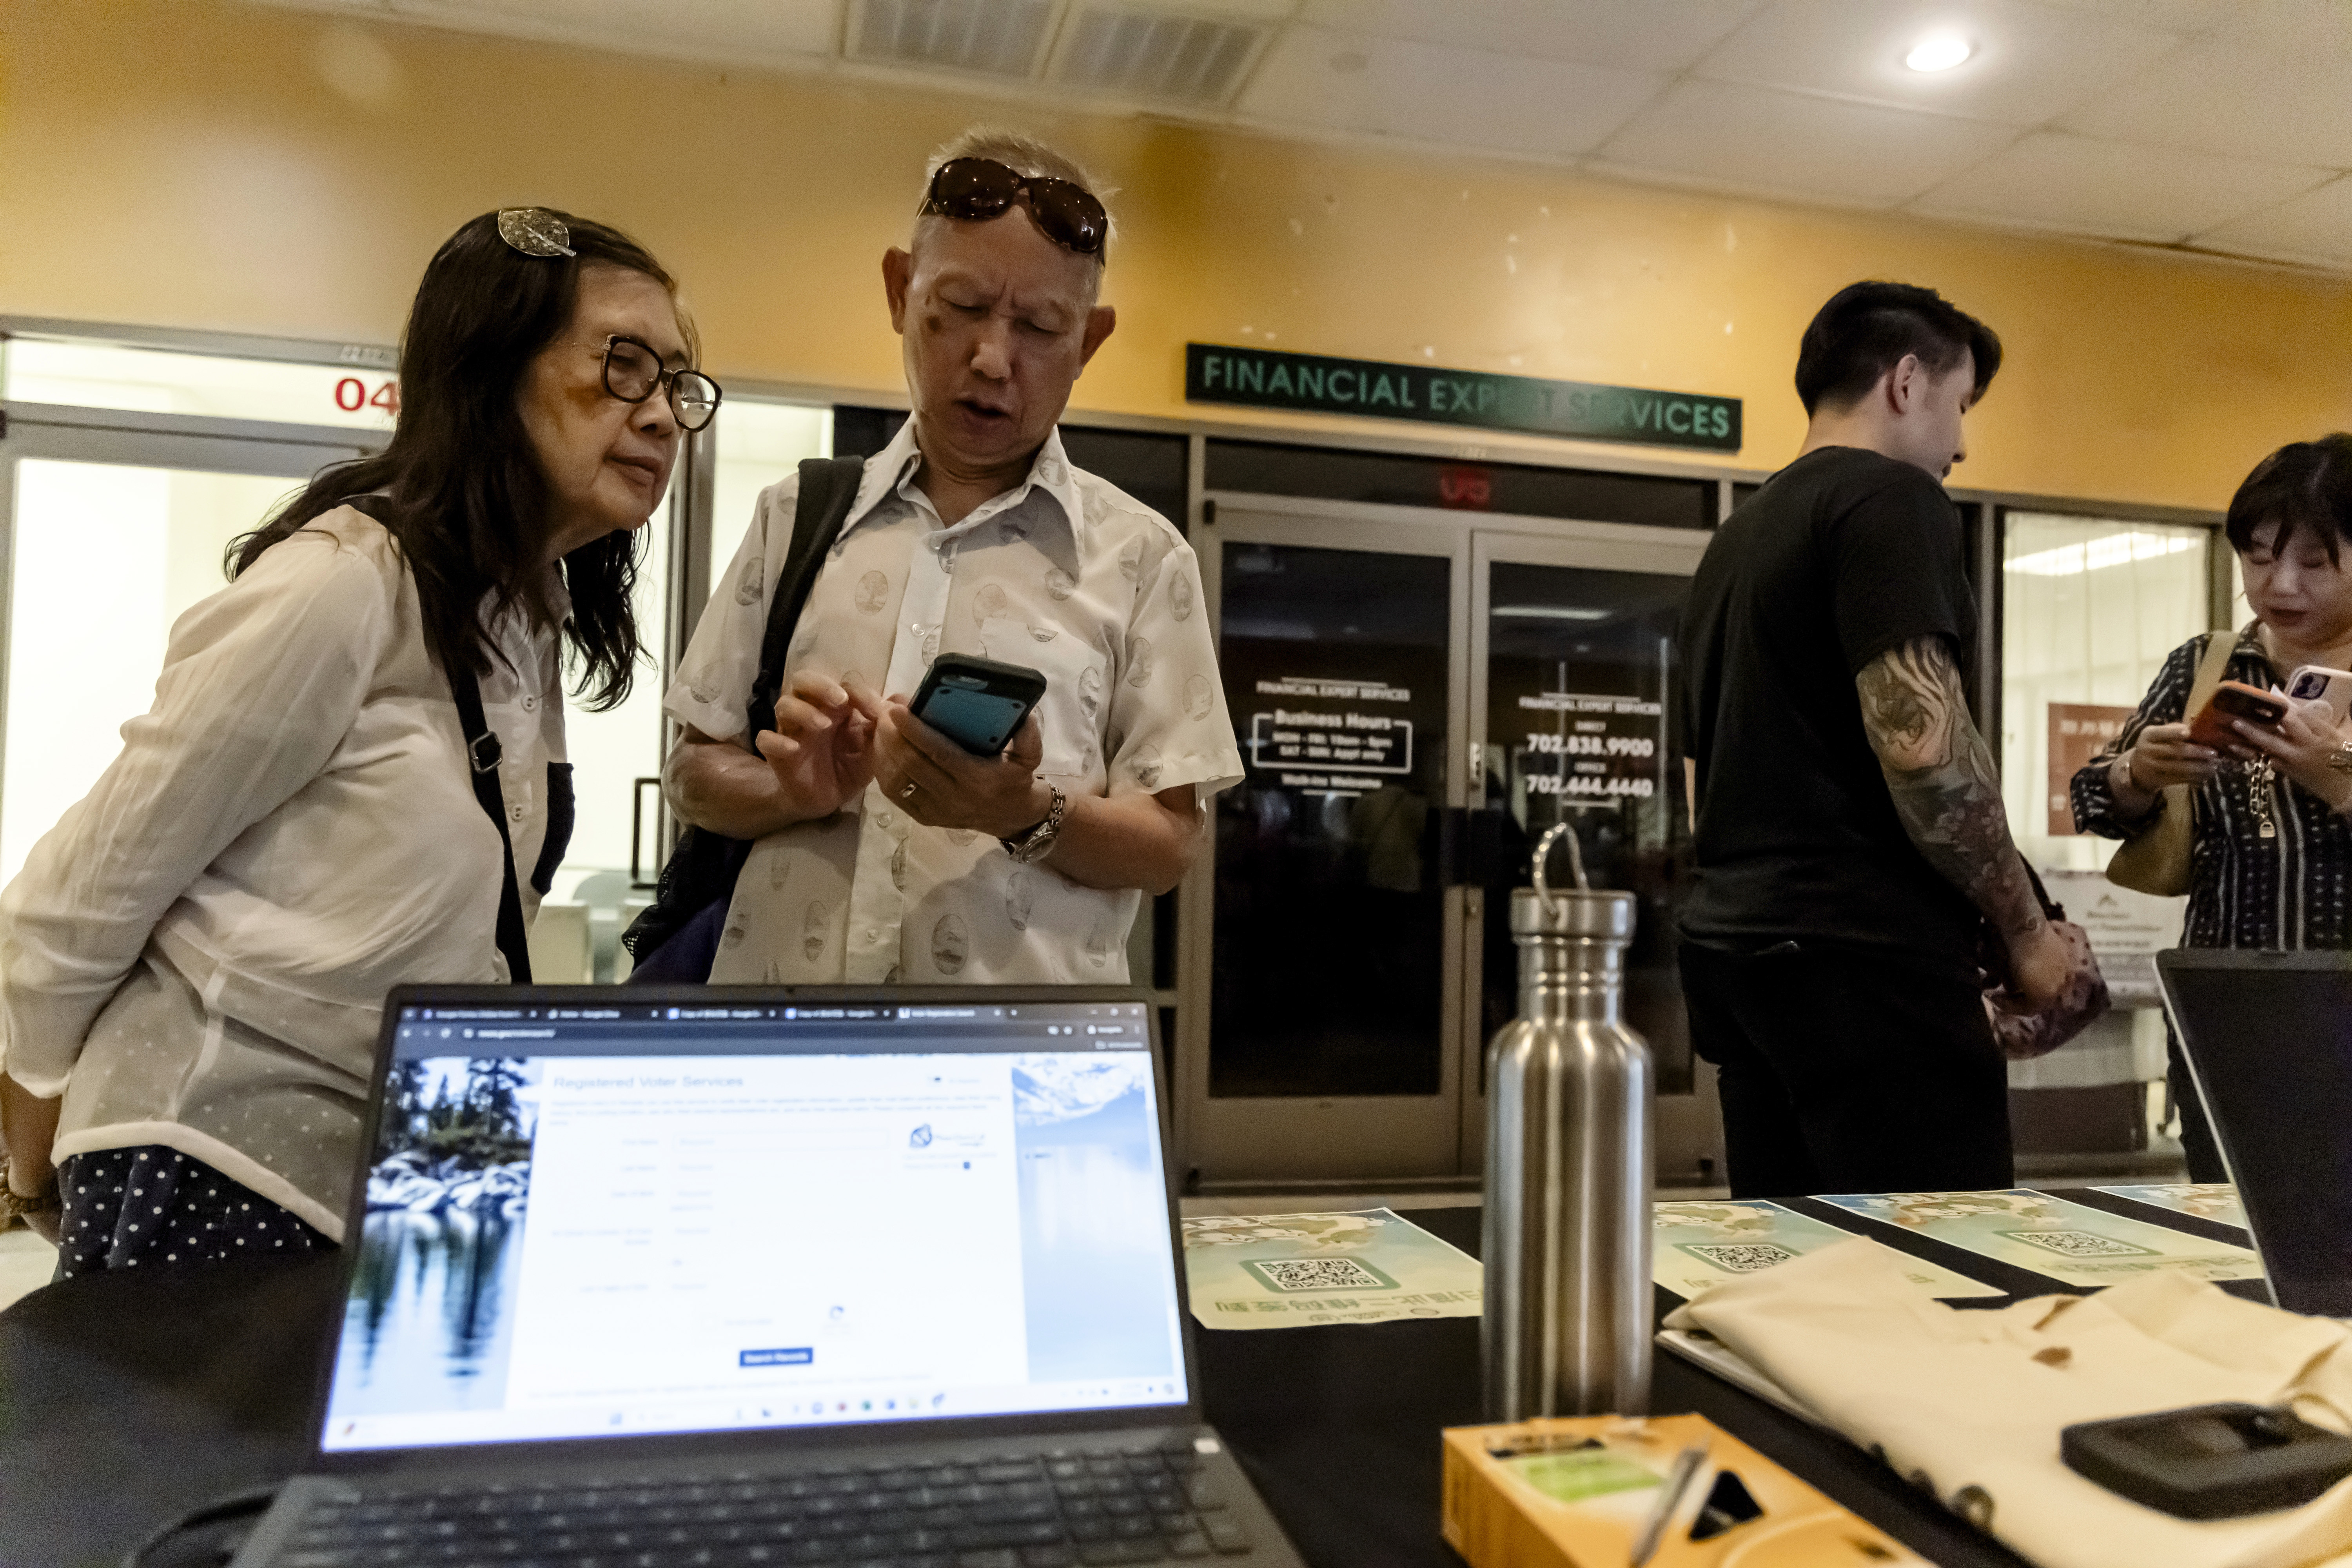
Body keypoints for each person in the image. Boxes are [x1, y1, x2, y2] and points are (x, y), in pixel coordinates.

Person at [0, 209, 710, 1269]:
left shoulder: (526, 613)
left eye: (677, 384)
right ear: (489, 369)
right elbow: (89, 884)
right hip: (221, 1161)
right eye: (622, 367)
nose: (660, 416)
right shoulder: (343, 584)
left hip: (406, 1172)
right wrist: (30, 1137)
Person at [661, 129, 1241, 984]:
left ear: (1090, 340)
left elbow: (1170, 844)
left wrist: (1024, 810)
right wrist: (792, 791)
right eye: (962, 306)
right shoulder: (797, 515)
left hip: (1015, 1074)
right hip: (789, 1064)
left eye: (1042, 326)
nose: (993, 359)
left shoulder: (1145, 559)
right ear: (901, 290)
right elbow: (690, 767)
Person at [1675, 280, 2071, 1199]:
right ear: (1905, 383)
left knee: (1795, 1280)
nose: (1962, 443)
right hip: (1864, 963)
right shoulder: (1891, 499)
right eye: (1960, 402)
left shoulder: (1738, 536)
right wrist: (2026, 928)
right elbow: (1926, 749)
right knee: (1934, 1278)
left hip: (1741, 955)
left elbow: (1705, 770)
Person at [2073, 435, 2352, 1181]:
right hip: (2225, 1009)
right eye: (2258, 558)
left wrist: (2342, 783)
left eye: (2314, 562)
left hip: (2344, 1011)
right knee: (2228, 1223)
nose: (2279, 585)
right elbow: (2092, 796)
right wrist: (2138, 773)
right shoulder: (2212, 663)